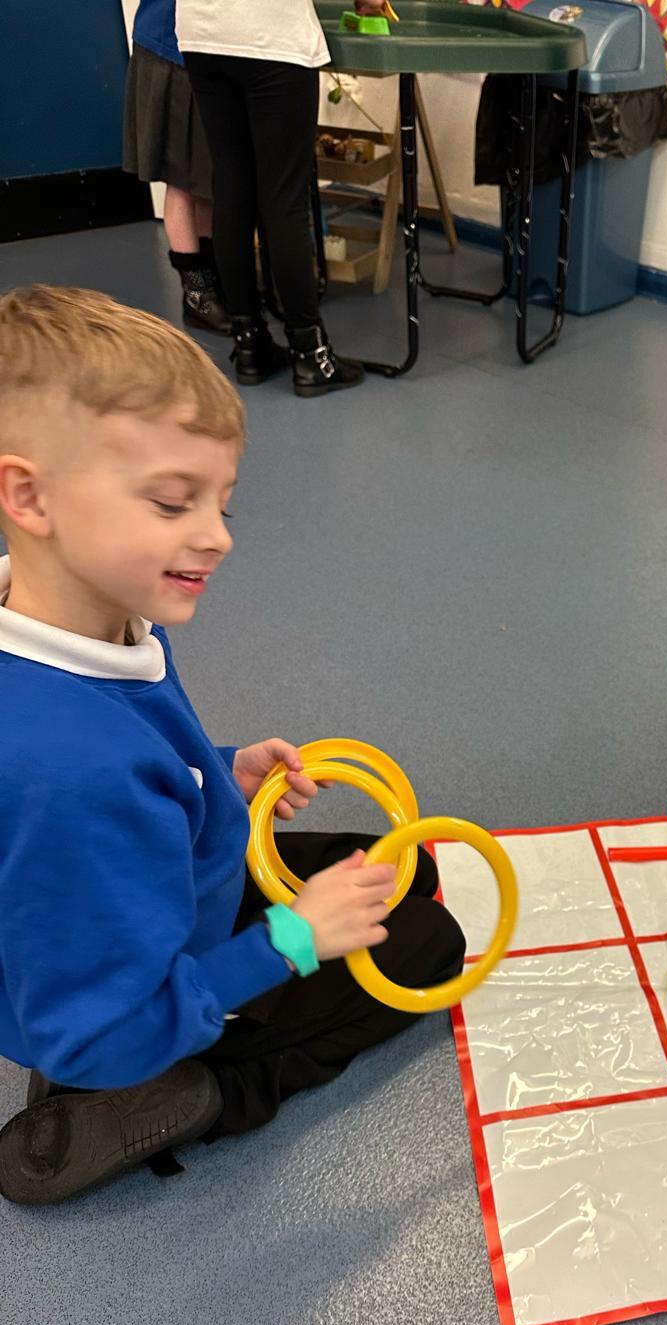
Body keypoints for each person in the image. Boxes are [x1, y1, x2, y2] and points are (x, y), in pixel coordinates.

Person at [0, 287, 465, 1205]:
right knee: (428, 943)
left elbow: (131, 764)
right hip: (125, 1019)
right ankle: (196, 1094)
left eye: (223, 505)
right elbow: (93, 1032)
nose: (215, 537)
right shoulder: (71, 772)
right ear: (28, 496)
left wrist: (217, 771)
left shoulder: (93, 622)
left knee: (398, 869)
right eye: (173, 502)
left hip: (158, 893)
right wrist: (291, 941)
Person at [175, 0, 388, 397]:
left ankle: (250, 344)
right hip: (269, 35)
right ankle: (310, 355)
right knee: (283, 199)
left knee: (232, 188)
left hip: (202, 33)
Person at [123, 0, 231, 335]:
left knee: (209, 177)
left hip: (208, 49)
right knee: (181, 178)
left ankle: (214, 279)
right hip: (170, 49)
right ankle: (197, 293)